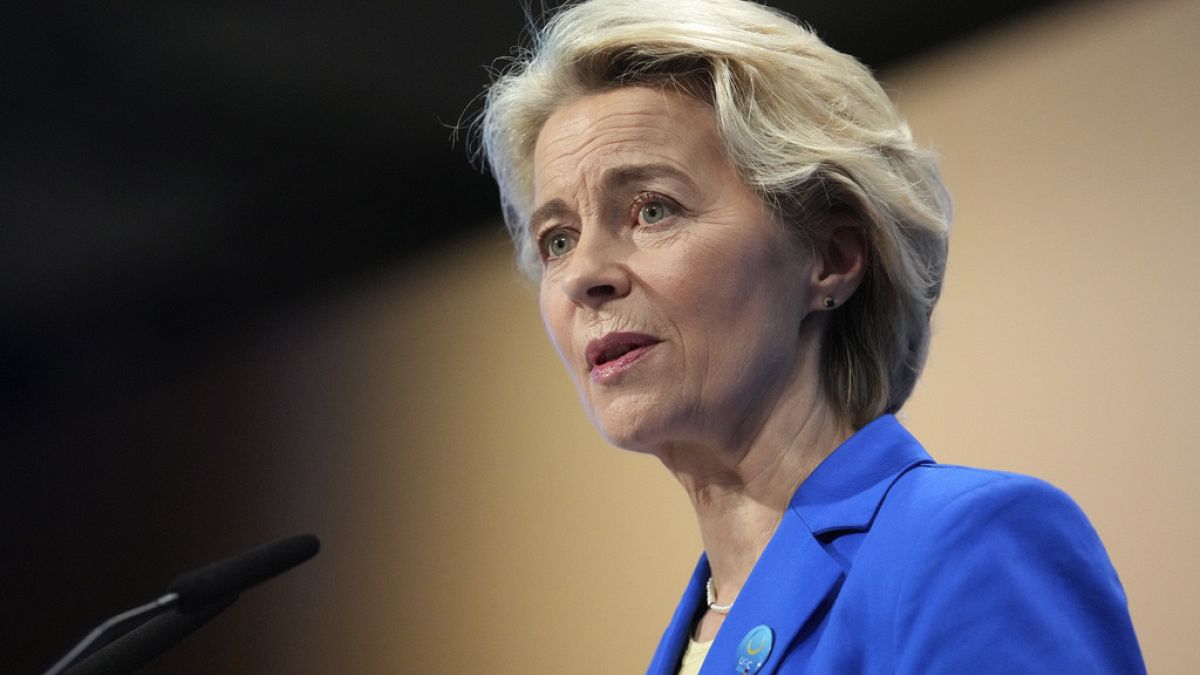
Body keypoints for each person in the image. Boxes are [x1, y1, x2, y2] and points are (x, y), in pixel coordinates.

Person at [476, 0, 1145, 672]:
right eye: (557, 240)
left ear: (830, 258)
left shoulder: (969, 544)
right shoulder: (694, 635)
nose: (583, 276)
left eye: (653, 208)